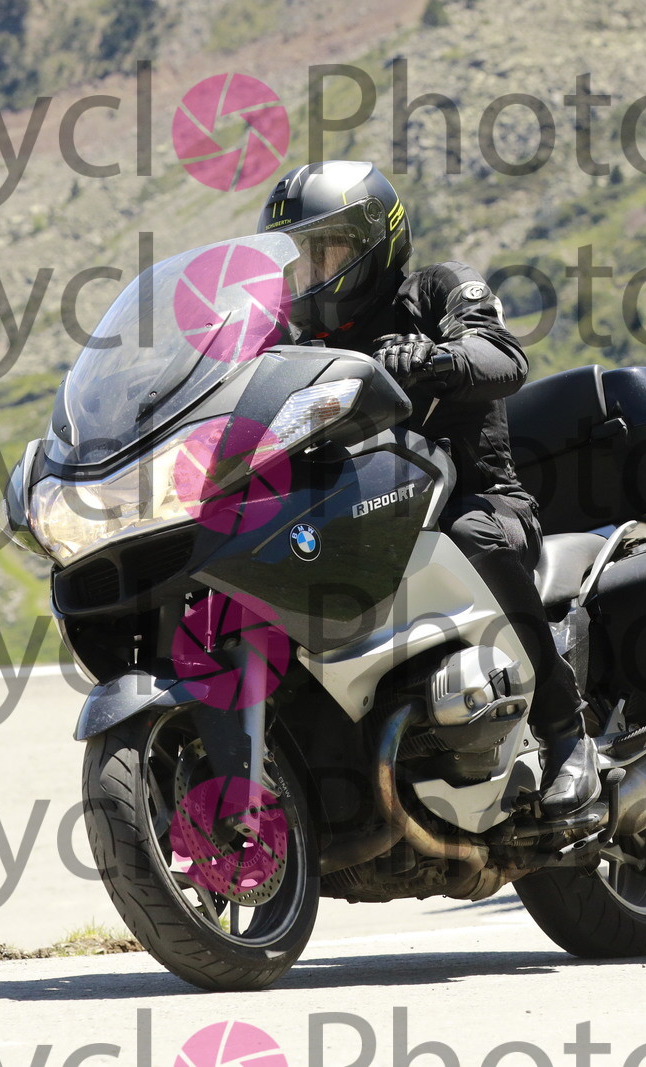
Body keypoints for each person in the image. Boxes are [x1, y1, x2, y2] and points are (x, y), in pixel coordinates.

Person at [257, 160, 600, 816]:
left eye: (326, 250)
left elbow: (504, 356)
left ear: (372, 242)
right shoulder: (296, 348)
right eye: (299, 256)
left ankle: (566, 731)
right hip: (366, 525)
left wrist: (438, 359)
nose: (311, 269)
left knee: (465, 531)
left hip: (480, 503)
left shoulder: (436, 289)